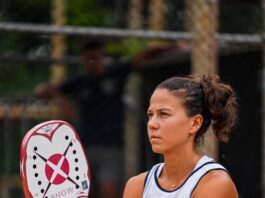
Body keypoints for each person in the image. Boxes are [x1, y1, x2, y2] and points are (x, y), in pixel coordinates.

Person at [35, 41, 175, 198]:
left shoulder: (115, 74)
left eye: (96, 58)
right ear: (83, 60)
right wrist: (61, 100)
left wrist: (169, 46)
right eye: (89, 59)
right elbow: (43, 91)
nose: (93, 62)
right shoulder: (80, 83)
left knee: (109, 190)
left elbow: (140, 58)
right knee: (83, 190)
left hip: (111, 147)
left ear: (102, 58)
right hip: (83, 147)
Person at [123, 74, 238, 198]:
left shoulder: (215, 184)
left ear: (195, 123)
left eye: (163, 114)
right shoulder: (136, 186)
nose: (151, 124)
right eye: (150, 115)